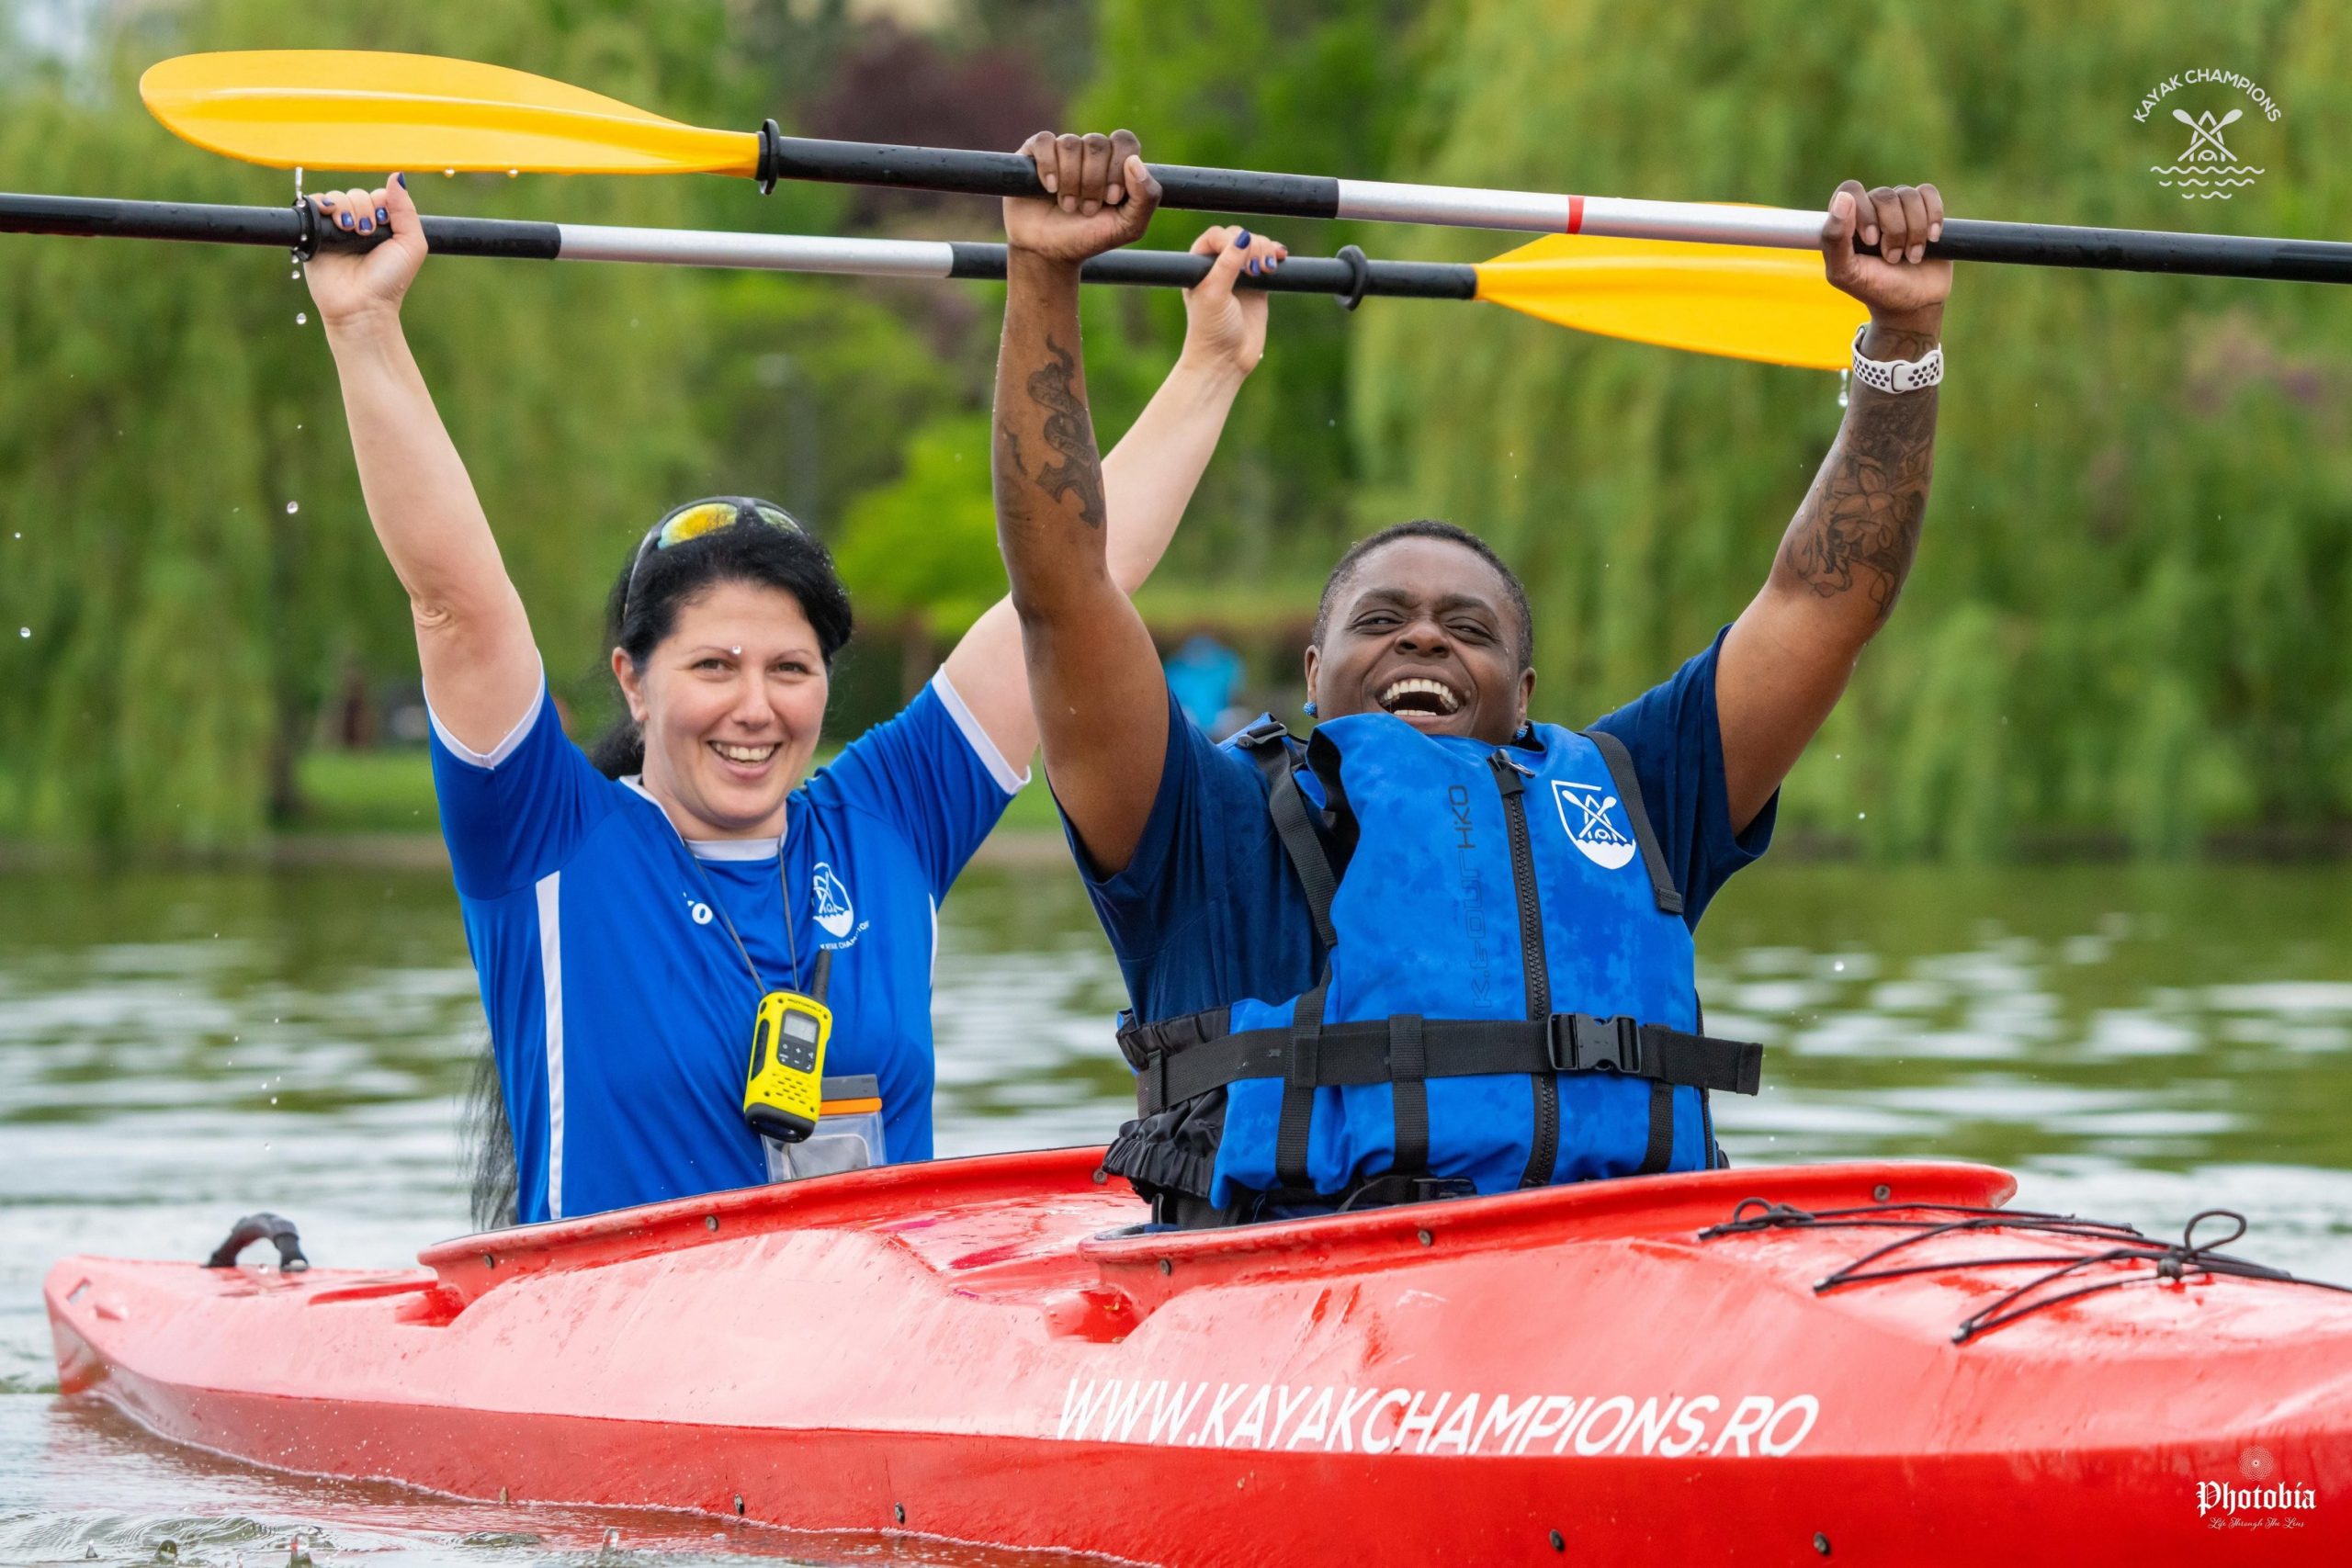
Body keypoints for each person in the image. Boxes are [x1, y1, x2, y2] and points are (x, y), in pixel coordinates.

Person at [989, 130, 1951, 1226]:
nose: (1425, 640)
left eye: (1468, 628)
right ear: (1314, 674)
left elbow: (1823, 604)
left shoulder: (1633, 794)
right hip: (1301, 1308)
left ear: (1526, 693)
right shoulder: (1201, 828)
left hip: (1621, 1281)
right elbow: (1063, 585)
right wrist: (1046, 273)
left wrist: (1902, 342)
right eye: (1382, 619)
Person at [299, 172, 1291, 1224]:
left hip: (866, 1355)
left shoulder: (889, 817)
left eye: (789, 669)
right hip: (617, 1353)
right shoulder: (543, 837)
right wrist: (365, 324)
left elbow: (1075, 596)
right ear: (634, 681)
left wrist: (1211, 365)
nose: (755, 708)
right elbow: (458, 604)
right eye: (713, 667)